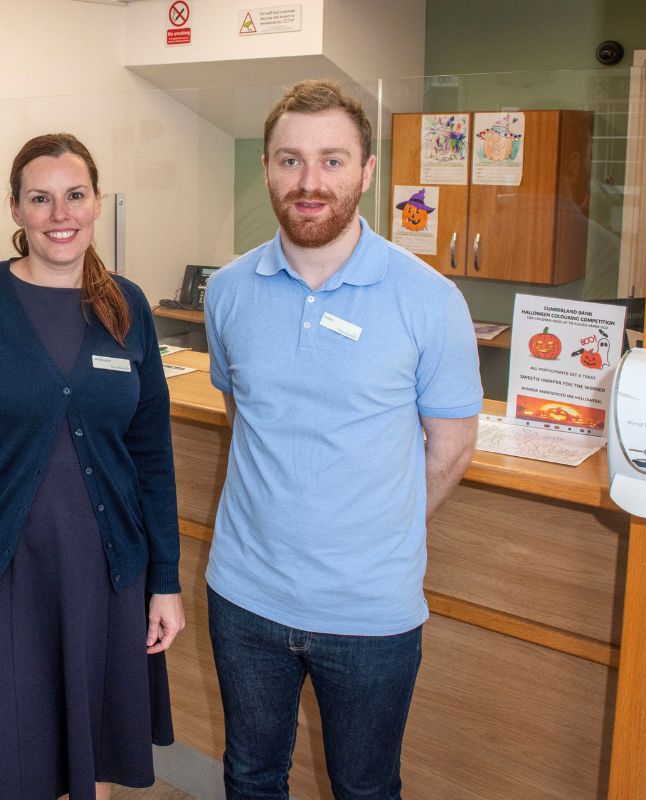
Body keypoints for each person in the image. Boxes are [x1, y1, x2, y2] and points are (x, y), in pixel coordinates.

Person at [204, 81, 482, 799]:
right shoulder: (229, 291)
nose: (310, 182)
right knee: (251, 777)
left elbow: (450, 448)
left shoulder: (429, 300)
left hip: (370, 612)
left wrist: (375, 530)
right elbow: (247, 416)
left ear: (366, 171)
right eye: (291, 161)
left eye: (332, 160)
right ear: (265, 168)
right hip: (245, 598)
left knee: (363, 786)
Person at [0, 132, 186, 800]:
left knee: (94, 757)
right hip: (1, 574)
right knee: (11, 755)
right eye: (41, 198)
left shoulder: (128, 306)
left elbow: (152, 457)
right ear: (16, 209)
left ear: (97, 201)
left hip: (107, 572)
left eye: (75, 195)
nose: (61, 214)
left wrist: (166, 581)